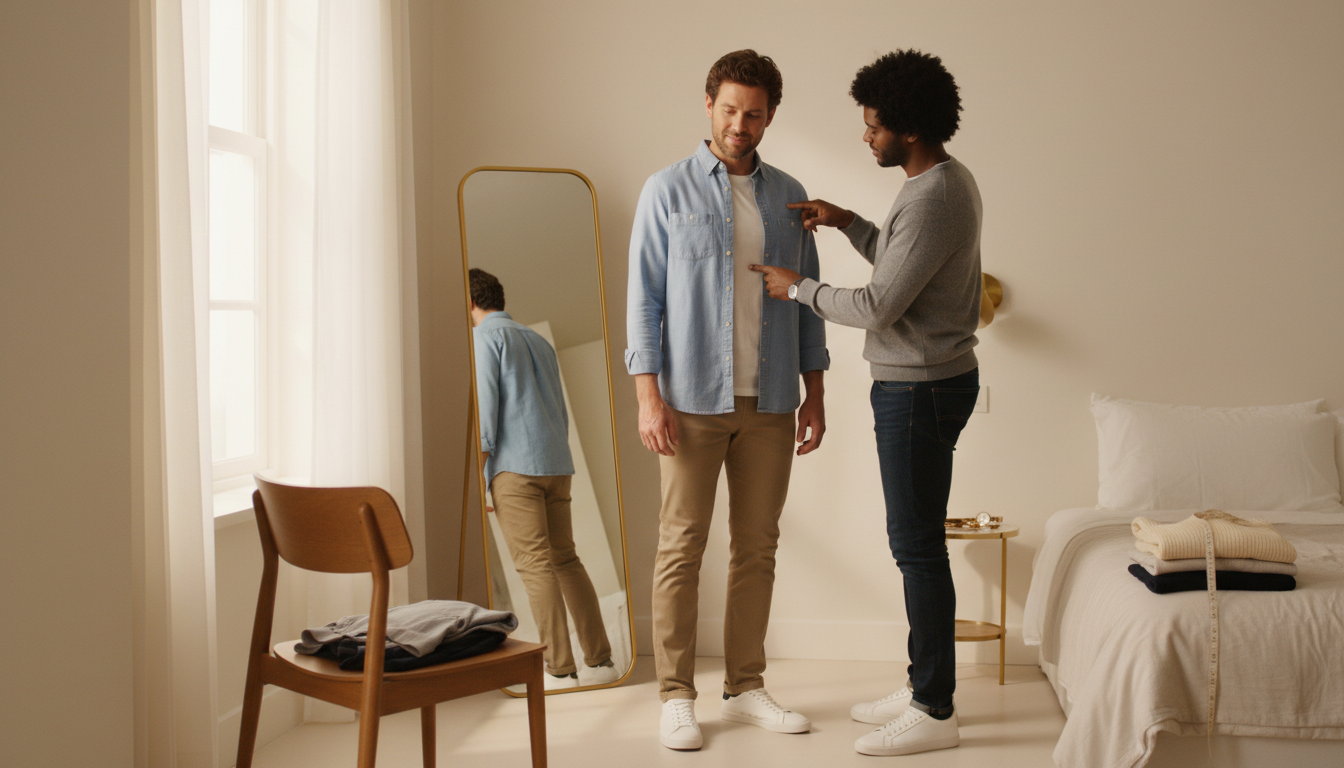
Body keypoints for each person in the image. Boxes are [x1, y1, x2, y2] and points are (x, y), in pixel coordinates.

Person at [752, 49, 983, 757]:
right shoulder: (940, 183)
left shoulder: (934, 194)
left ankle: (934, 707)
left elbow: (882, 303)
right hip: (930, 384)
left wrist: (797, 289)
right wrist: (850, 221)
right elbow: (905, 260)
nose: (865, 136)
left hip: (919, 392)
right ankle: (923, 686)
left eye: (873, 126)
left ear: (907, 129)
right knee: (918, 546)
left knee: (916, 549)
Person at [626, 49, 829, 751]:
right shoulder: (666, 190)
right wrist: (649, 399)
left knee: (757, 547)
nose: (740, 124)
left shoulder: (790, 197)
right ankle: (676, 694)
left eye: (755, 113)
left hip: (771, 401)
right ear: (708, 104)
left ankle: (745, 686)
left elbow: (808, 305)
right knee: (681, 546)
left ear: (771, 115)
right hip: (689, 401)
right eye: (730, 109)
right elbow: (642, 301)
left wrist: (815, 393)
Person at [469, 267, 617, 690]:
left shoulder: (484, 339)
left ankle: (559, 668)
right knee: (566, 560)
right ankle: (601, 661)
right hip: (556, 464)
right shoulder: (538, 340)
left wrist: (479, 476)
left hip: (514, 468)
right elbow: (559, 410)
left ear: (470, 303)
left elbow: (485, 416)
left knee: (535, 568)